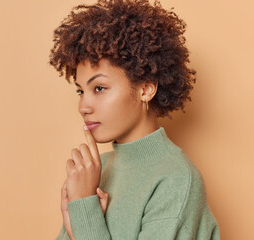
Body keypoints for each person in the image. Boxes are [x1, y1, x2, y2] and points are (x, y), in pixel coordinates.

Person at [48, 0, 220, 239]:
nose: (83, 106)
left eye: (99, 88)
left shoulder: (176, 180)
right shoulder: (97, 171)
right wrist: (74, 220)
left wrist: (85, 208)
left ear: (146, 89)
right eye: (81, 91)